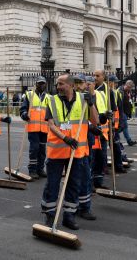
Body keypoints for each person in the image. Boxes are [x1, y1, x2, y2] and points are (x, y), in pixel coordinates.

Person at [41, 74, 99, 230]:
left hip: (76, 152)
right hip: (57, 151)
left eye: (61, 84)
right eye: (57, 84)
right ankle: (50, 215)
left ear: (71, 85)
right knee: (52, 184)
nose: (58, 87)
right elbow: (52, 125)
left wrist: (91, 104)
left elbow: (95, 122)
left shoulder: (82, 100)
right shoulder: (52, 100)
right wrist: (65, 138)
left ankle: (69, 216)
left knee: (73, 185)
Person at [74, 74, 98, 220]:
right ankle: (73, 205)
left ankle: (84, 207)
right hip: (70, 142)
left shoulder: (87, 99)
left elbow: (94, 120)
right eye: (75, 83)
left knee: (85, 176)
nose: (78, 86)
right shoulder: (68, 99)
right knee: (74, 177)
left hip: (84, 142)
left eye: (81, 83)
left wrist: (91, 105)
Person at [20, 76, 49, 179]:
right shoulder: (29, 95)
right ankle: (32, 169)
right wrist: (24, 114)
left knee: (42, 149)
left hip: (44, 129)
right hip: (33, 127)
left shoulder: (48, 97)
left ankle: (40, 169)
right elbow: (23, 109)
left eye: (43, 83)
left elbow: (50, 112)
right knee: (34, 149)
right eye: (40, 83)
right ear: (36, 84)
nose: (41, 85)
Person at [118, 80, 137, 146]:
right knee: (122, 126)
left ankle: (125, 140)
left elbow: (129, 102)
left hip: (125, 112)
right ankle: (125, 140)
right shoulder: (120, 91)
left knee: (123, 127)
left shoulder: (128, 92)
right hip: (121, 112)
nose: (130, 89)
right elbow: (119, 103)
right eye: (130, 87)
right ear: (127, 85)